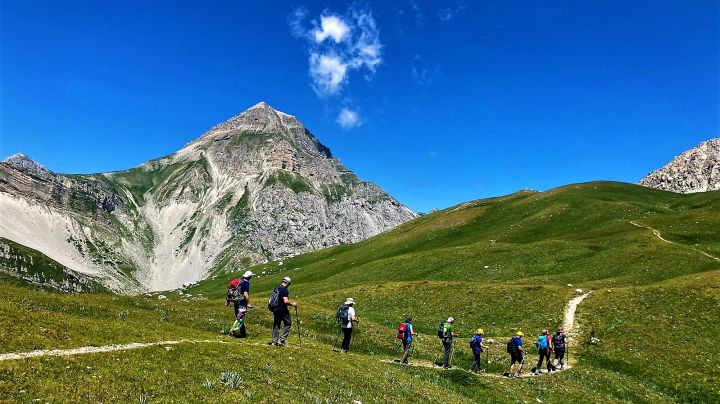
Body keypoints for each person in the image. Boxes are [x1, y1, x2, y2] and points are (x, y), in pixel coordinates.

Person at [269, 277, 297, 347]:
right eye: (289, 284)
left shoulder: (277, 288)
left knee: (276, 324)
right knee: (288, 323)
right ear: (287, 283)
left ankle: (274, 341)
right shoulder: (284, 290)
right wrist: (293, 304)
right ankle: (282, 340)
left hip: (275, 309)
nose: (289, 285)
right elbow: (286, 301)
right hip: (282, 310)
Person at [233, 271, 255, 338]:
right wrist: (248, 303)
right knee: (240, 318)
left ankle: (243, 333)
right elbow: (245, 294)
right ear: (249, 277)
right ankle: (233, 332)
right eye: (251, 276)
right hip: (242, 304)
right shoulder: (246, 283)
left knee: (239, 318)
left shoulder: (241, 282)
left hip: (237, 302)